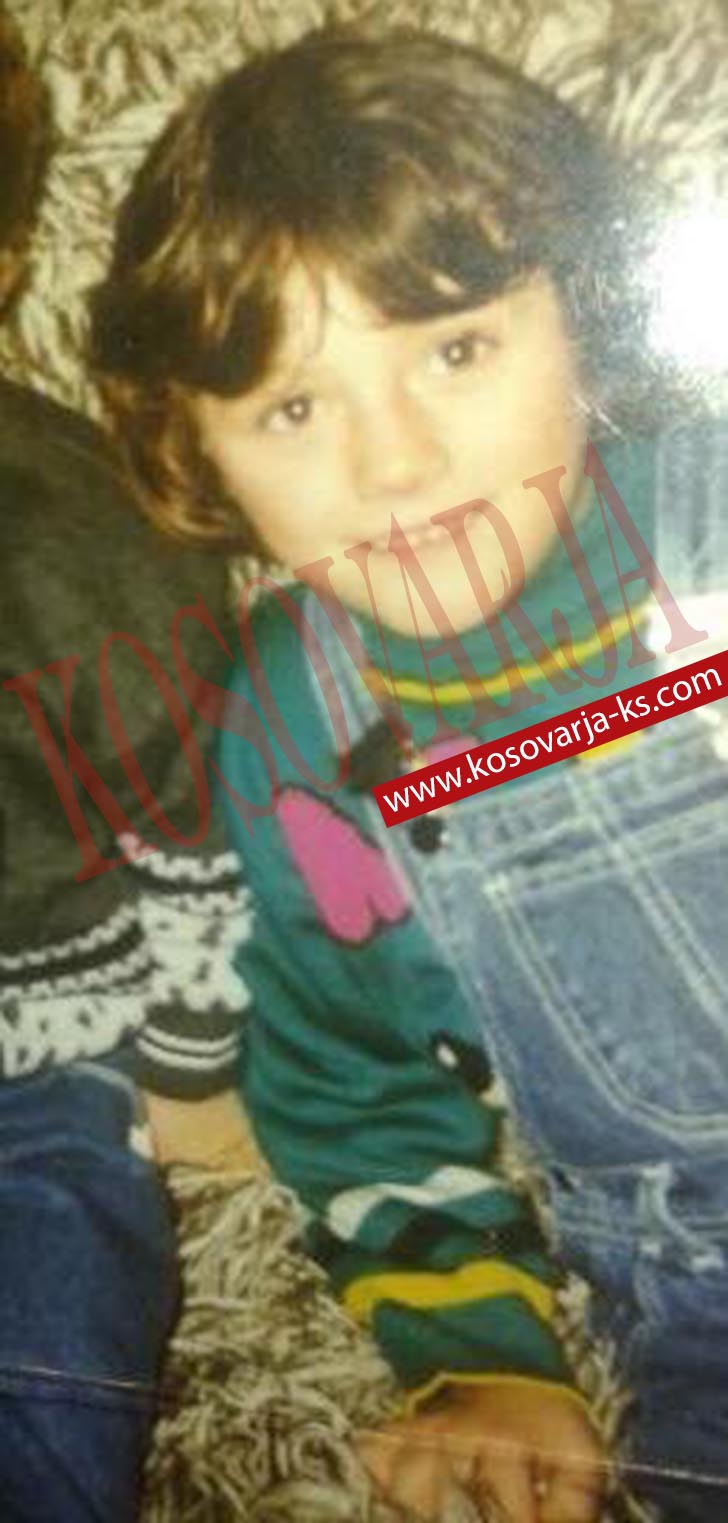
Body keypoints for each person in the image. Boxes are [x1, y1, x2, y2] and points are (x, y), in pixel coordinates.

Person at [91, 23, 728, 1522]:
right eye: (294, 407)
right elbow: (352, 1080)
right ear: (196, 450)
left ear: (591, 312)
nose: (396, 468)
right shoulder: (307, 731)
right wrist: (482, 1359)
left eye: (455, 350)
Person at [0, 10, 256, 1521]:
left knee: (47, 1343)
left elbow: (195, 831)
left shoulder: (92, 530)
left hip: (32, 1076)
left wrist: (191, 1070)